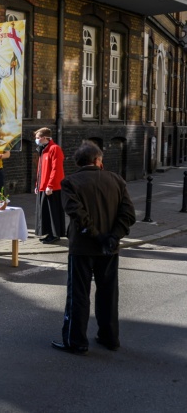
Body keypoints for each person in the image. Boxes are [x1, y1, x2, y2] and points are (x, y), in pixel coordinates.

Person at [51, 141, 136, 355]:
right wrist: (112, 237)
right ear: (98, 160)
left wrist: (97, 236)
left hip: (82, 246)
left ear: (80, 162)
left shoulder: (70, 182)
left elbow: (77, 214)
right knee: (108, 293)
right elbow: (128, 214)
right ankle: (109, 337)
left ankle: (76, 340)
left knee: (78, 294)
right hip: (109, 246)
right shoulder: (116, 180)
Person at [35, 127, 66, 244]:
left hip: (52, 188)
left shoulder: (55, 149)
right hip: (43, 186)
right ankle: (49, 233)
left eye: (38, 138)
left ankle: (55, 234)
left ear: (44, 138)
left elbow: (56, 169)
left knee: (53, 212)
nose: (36, 140)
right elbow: (40, 169)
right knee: (45, 212)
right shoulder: (43, 150)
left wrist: (50, 185)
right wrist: (37, 185)